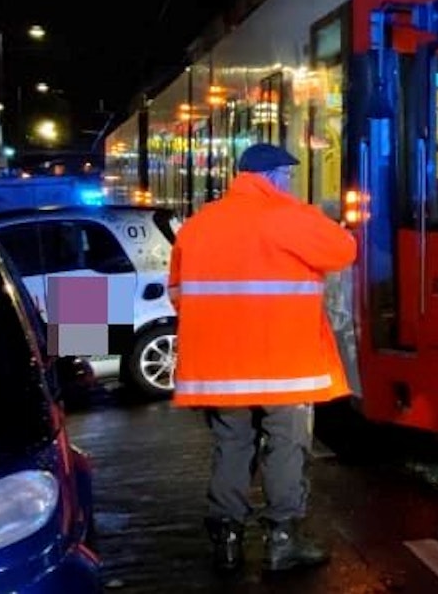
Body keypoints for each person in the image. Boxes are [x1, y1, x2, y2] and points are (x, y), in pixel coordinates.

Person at [168, 143, 358, 573]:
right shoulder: (289, 217)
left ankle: (228, 541)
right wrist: (305, 212)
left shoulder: (198, 225)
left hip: (221, 369)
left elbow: (179, 295)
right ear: (274, 177)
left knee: (231, 446)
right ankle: (283, 540)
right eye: (288, 178)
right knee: (286, 446)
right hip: (283, 365)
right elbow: (344, 251)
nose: (290, 184)